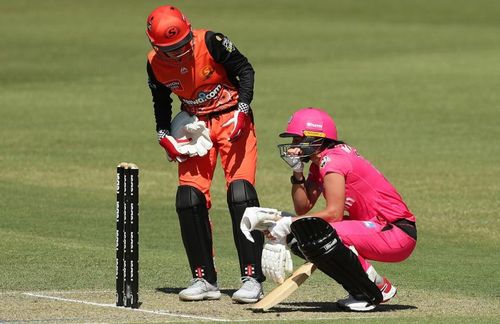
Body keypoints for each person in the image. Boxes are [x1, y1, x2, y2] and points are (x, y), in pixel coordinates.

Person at [241, 107, 417, 311]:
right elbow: (303, 207)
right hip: (376, 228)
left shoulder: (333, 161)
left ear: (316, 138)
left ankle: (377, 287)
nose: (293, 146)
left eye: (298, 140)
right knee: (302, 236)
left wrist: (286, 223)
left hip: (395, 231)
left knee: (318, 233)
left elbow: (334, 214)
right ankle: (360, 291)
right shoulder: (320, 163)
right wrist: (298, 171)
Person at [145, 5, 265, 303]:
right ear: (156, 47)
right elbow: (161, 101)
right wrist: (164, 135)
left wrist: (243, 109)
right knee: (188, 198)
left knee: (240, 194)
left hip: (232, 119)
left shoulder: (211, 41)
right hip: (194, 127)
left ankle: (252, 277)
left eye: (183, 44)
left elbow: (245, 70)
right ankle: (204, 279)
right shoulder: (154, 64)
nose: (179, 52)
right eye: (170, 49)